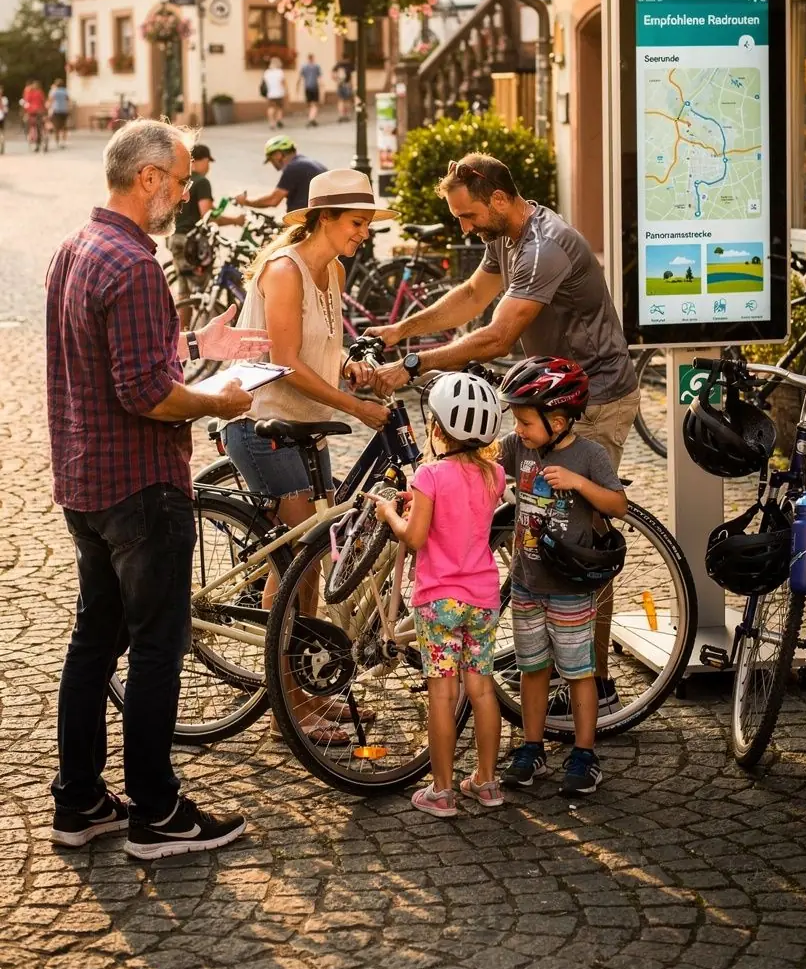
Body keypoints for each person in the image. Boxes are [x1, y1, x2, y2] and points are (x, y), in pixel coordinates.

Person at [46, 118, 272, 859]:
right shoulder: (136, 265)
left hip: (85, 482)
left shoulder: (74, 248)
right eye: (175, 182)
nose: (179, 194)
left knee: (92, 645)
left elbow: (108, 372)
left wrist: (195, 367)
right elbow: (146, 393)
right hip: (142, 487)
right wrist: (217, 399)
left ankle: (78, 801)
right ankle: (157, 812)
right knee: (154, 648)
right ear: (147, 178)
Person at [361, 153, 639, 716]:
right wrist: (400, 329)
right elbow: (470, 297)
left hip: (596, 399)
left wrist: (413, 364)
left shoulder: (544, 245)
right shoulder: (506, 237)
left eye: (467, 215)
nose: (463, 227)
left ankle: (597, 680)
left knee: (578, 533)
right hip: (547, 398)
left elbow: (497, 334)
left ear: (498, 197)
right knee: (536, 519)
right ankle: (553, 656)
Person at [224, 169, 390, 740]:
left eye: (368, 222)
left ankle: (307, 696)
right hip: (260, 422)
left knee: (312, 561)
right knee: (301, 566)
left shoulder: (333, 271)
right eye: (355, 222)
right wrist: (356, 405)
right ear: (323, 220)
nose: (364, 232)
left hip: (306, 426)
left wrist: (355, 370)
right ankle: (288, 709)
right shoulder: (284, 271)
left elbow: (324, 352)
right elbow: (289, 361)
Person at [375, 372, 506, 817]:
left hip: (439, 601)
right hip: (484, 598)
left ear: (435, 429)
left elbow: (413, 537)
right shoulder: (495, 475)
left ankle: (442, 790)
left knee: (442, 694)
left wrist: (390, 511)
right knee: (483, 689)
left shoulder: (428, 476)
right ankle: (487, 782)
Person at [498, 357, 627, 797]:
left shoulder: (588, 455)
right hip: (526, 583)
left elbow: (617, 505)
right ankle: (532, 747)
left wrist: (578, 482)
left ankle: (584, 753)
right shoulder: (521, 448)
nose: (518, 429)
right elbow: (490, 472)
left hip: (570, 589)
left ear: (557, 420)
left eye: (525, 421)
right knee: (532, 668)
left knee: (578, 671)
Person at [168, 143, 245, 323]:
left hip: (175, 239)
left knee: (184, 293)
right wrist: (235, 221)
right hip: (193, 244)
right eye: (208, 161)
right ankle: (206, 337)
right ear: (199, 160)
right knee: (206, 293)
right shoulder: (201, 182)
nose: (209, 166)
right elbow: (207, 215)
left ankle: (184, 334)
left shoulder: (179, 179)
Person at [234, 137, 327, 218]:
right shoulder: (308, 163)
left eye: (271, 159)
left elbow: (273, 200)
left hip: (307, 221)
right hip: (321, 215)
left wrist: (245, 201)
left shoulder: (293, 168)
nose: (272, 163)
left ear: (278, 154)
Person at [261, 57, 286, 129]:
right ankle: (278, 120)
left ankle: (272, 123)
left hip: (270, 93)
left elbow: (264, 83)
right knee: (279, 108)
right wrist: (286, 91)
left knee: (270, 108)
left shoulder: (267, 72)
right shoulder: (280, 72)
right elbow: (283, 82)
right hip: (279, 93)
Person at [21, 79, 47, 150]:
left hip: (32, 112)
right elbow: (43, 101)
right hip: (40, 111)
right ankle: (41, 140)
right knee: (40, 126)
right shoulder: (40, 92)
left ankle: (35, 142)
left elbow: (26, 102)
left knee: (31, 125)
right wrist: (45, 111)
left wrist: (25, 111)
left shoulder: (30, 93)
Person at [298, 53, 322, 127]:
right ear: (313, 58)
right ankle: (311, 119)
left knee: (310, 104)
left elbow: (300, 77)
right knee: (314, 104)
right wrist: (322, 87)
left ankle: (311, 118)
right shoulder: (316, 66)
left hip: (307, 87)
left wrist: (297, 87)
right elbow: (320, 77)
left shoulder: (304, 67)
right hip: (314, 87)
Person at [48, 78, 71, 148]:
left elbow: (50, 100)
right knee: (64, 126)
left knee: (56, 127)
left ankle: (57, 142)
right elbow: (68, 99)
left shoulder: (54, 91)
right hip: (64, 110)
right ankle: (63, 142)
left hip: (56, 110)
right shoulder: (65, 91)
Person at [331, 59, 353, 123]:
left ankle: (341, 115)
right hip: (347, 84)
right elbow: (352, 75)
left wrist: (337, 81)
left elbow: (333, 74)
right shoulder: (349, 65)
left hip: (340, 85)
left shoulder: (338, 65)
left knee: (341, 100)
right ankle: (346, 115)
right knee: (347, 100)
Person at [0, 85, 8, 154]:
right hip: (1, 116)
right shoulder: (4, 99)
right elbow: (5, 110)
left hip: (1, 116)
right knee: (2, 131)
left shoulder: (4, 99)